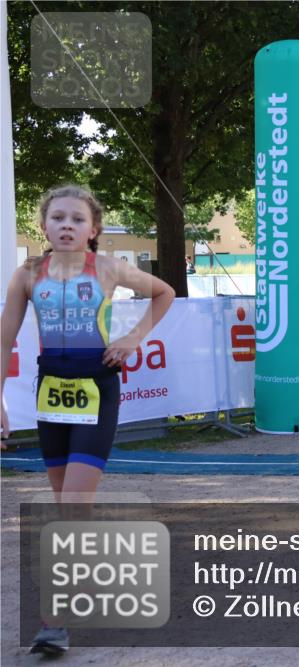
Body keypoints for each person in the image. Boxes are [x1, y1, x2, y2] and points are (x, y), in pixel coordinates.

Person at [0, 185, 175, 655]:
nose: (66, 226)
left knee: (74, 502)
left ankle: (53, 622)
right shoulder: (26, 275)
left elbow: (164, 292)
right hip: (51, 392)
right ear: (43, 225)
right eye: (58, 218)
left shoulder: (110, 269)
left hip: (98, 387)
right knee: (66, 507)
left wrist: (132, 338)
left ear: (93, 229)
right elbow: (4, 343)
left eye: (77, 219)